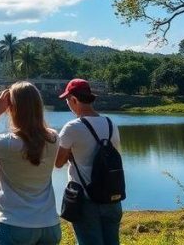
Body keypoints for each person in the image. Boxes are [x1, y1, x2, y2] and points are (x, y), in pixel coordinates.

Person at [0, 81, 60, 245]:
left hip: (14, 224)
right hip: (49, 224)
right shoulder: (53, 138)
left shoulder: (8, 142)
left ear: (12, 108)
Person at [55, 79, 121, 245]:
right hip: (112, 198)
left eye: (68, 101)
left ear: (74, 100)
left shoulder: (72, 127)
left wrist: (70, 153)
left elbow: (58, 162)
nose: (68, 105)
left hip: (86, 201)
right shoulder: (110, 123)